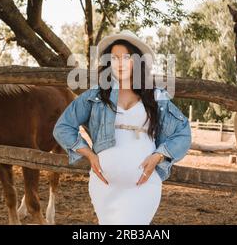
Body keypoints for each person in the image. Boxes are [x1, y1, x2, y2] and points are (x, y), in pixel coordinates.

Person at [53, 30, 192, 224]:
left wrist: (158, 156)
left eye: (127, 57)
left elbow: (183, 133)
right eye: (115, 58)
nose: (120, 63)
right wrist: (89, 154)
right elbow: (63, 127)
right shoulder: (96, 95)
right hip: (105, 188)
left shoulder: (155, 96)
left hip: (144, 187)